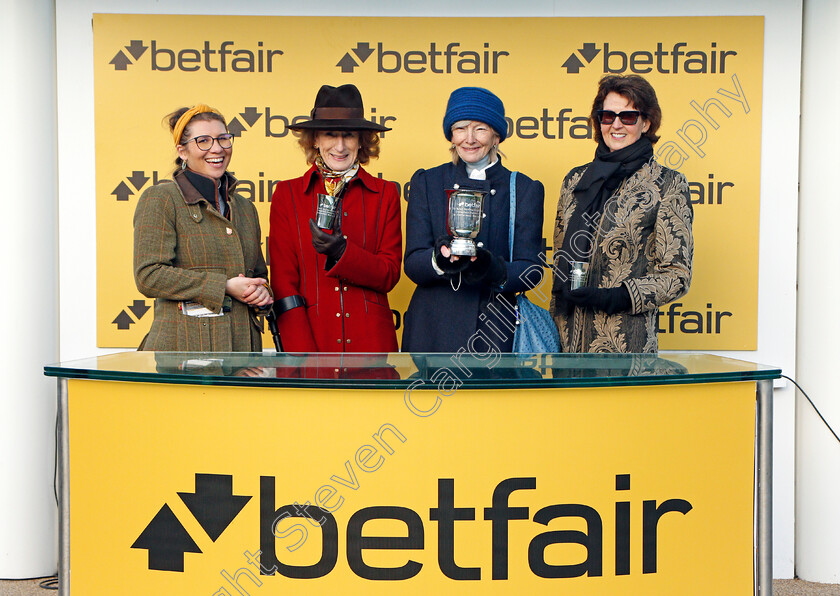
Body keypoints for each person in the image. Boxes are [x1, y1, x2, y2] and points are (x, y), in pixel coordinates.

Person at [550, 75, 693, 353]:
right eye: (607, 116)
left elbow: (676, 275)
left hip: (627, 349)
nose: (616, 124)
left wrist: (618, 296)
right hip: (566, 346)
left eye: (627, 116)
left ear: (646, 123)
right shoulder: (576, 180)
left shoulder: (667, 184)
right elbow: (560, 260)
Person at [402, 87, 545, 353]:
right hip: (432, 331)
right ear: (451, 136)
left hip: (495, 331)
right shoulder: (427, 182)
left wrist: (494, 270)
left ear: (496, 135)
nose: (469, 139)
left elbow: (532, 270)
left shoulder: (524, 188)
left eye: (480, 129)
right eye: (460, 128)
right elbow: (412, 263)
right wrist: (439, 259)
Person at [268, 84, 401, 352]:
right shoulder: (287, 194)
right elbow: (284, 285)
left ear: (361, 140)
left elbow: (389, 274)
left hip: (371, 345)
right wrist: (303, 356)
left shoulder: (385, 193)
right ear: (315, 139)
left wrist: (343, 253)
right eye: (330, 134)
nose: (340, 146)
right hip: (310, 342)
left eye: (349, 135)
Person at [134, 104, 273, 351]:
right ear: (183, 151)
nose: (217, 148)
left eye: (223, 139)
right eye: (203, 141)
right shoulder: (161, 198)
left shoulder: (245, 207)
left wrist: (261, 293)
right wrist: (224, 286)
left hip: (244, 354)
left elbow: (257, 275)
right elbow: (149, 276)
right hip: (183, 355)